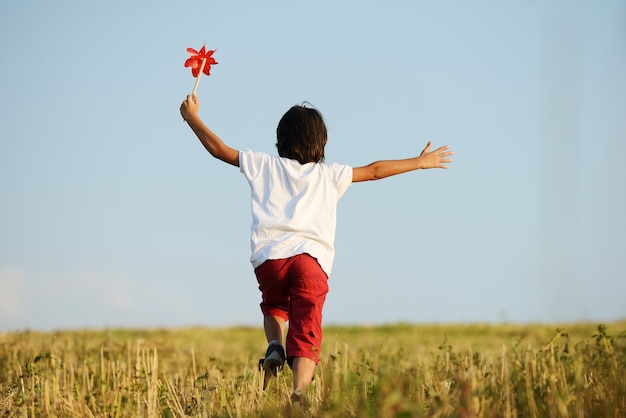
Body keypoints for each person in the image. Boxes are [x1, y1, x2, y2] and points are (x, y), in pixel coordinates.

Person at [180, 93, 453, 404]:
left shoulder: (263, 165)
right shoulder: (330, 174)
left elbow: (219, 150)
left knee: (274, 306)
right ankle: (298, 393)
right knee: (307, 323)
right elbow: (375, 170)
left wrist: (192, 117)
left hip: (270, 260)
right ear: (321, 143)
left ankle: (274, 345)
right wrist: (419, 162)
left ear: (280, 141)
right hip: (311, 261)